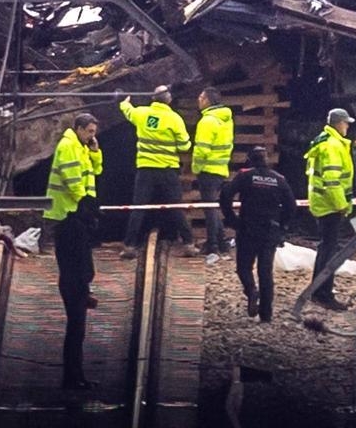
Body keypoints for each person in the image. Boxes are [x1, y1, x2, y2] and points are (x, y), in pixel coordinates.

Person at [43, 113, 103, 389]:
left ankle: (75, 376)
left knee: (84, 263)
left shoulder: (81, 146)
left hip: (76, 214)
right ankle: (72, 377)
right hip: (67, 213)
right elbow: (71, 178)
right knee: (75, 323)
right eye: (88, 131)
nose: (91, 135)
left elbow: (95, 172)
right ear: (77, 128)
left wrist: (95, 152)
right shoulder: (67, 145)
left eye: (94, 131)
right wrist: (84, 203)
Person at [120, 86, 201, 259]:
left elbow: (128, 111)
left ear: (152, 99)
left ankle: (129, 246)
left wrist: (125, 102)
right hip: (167, 170)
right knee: (175, 207)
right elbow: (185, 145)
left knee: (138, 208)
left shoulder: (142, 114)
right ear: (169, 100)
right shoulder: (174, 119)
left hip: (145, 170)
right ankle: (188, 244)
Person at [220, 147, 296, 322]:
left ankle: (251, 291)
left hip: (247, 228)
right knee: (265, 272)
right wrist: (282, 227)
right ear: (267, 160)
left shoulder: (245, 176)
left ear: (250, 160)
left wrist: (232, 219)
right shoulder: (279, 179)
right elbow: (291, 206)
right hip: (270, 230)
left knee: (244, 267)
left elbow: (226, 195)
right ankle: (266, 314)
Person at [305, 108, 356, 311]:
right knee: (329, 250)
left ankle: (320, 290)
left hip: (324, 203)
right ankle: (323, 292)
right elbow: (332, 180)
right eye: (346, 123)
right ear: (338, 123)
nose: (348, 126)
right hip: (330, 205)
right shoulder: (333, 146)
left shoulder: (325, 141)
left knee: (326, 247)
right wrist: (341, 205)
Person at [193, 87, 234, 255]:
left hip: (208, 170)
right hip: (220, 168)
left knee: (209, 209)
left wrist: (196, 167)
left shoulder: (207, 121)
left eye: (201, 96)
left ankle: (213, 245)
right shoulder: (225, 120)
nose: (199, 99)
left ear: (208, 100)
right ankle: (222, 243)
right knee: (213, 208)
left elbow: (202, 149)